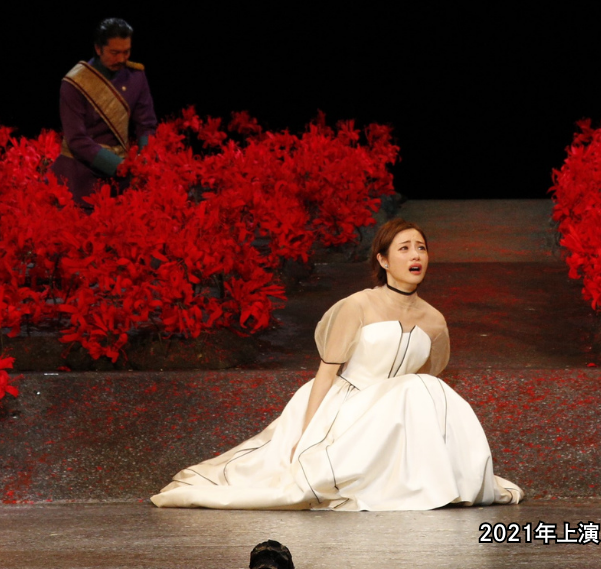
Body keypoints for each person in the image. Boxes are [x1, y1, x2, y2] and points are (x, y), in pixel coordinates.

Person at [150, 218, 524, 511]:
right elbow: (326, 373)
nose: (416, 256)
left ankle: (437, 479)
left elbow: (429, 380)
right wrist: (303, 434)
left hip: (393, 416)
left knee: (424, 386)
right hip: (345, 405)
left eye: (421, 248)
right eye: (405, 248)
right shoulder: (358, 305)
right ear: (383, 260)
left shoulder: (434, 321)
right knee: (415, 389)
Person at [49, 17, 157, 207]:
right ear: (98, 49)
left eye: (126, 52)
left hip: (122, 180)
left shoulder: (137, 77)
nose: (122, 59)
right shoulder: (74, 83)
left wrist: (144, 158)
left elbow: (146, 123)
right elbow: (76, 139)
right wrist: (117, 165)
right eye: (114, 53)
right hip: (79, 178)